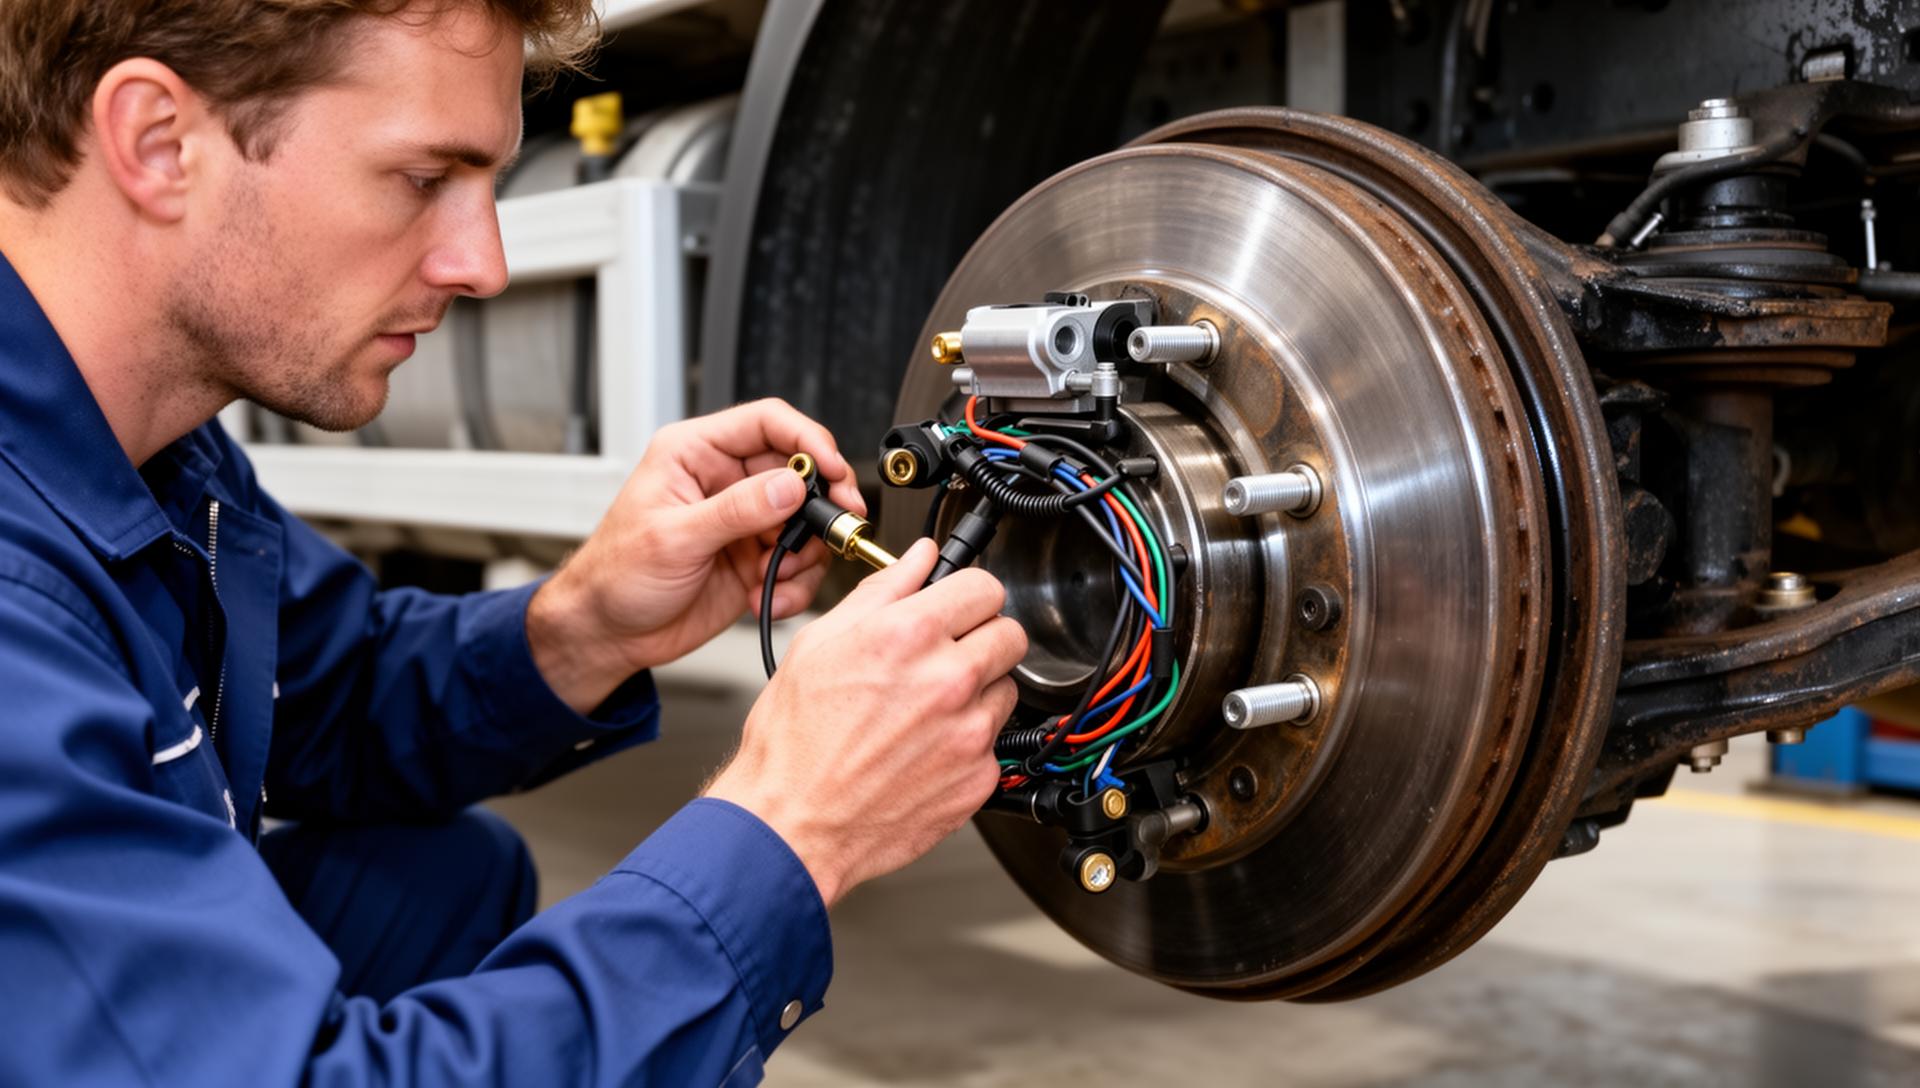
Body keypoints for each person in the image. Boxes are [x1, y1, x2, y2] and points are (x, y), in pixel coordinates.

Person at [0, 0, 1028, 1083]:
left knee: (442, 881)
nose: (484, 262)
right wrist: (793, 823)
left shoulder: (158, 454)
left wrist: (583, 624)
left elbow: (328, 691)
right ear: (159, 142)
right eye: (422, 179)